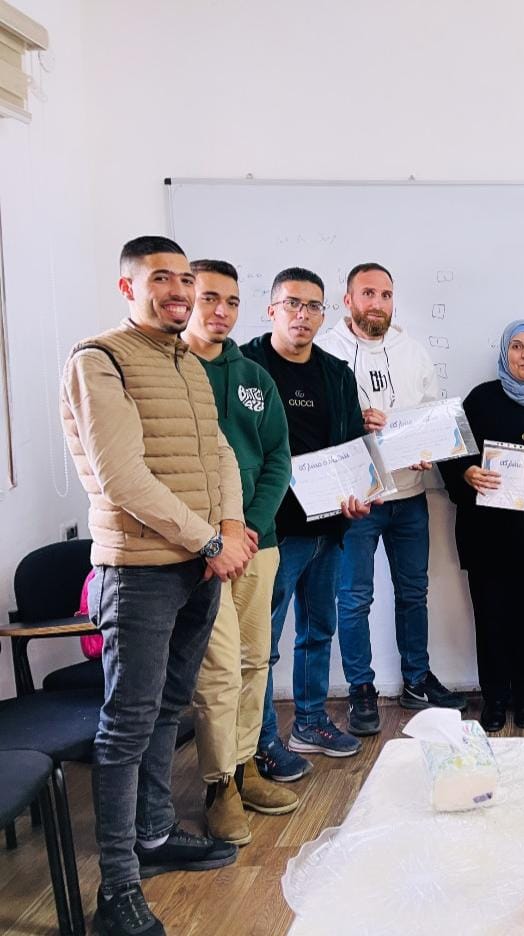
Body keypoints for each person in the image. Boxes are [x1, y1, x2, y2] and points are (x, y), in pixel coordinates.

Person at [61, 235, 252, 935]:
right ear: (128, 287)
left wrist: (229, 526)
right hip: (139, 571)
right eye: (161, 279)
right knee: (127, 725)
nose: (178, 291)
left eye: (184, 280)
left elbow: (220, 453)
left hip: (198, 567)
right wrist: (211, 541)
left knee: (170, 707)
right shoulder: (99, 359)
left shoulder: (187, 362)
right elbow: (122, 478)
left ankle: (155, 832)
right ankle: (117, 887)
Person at [316, 262, 466, 738]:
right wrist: (353, 420)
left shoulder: (413, 351)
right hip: (359, 502)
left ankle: (417, 680)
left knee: (413, 593)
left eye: (385, 294)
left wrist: (428, 450)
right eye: (367, 293)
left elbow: (433, 421)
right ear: (348, 300)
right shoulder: (325, 352)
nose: (377, 303)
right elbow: (315, 428)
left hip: (411, 497)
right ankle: (361, 688)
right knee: (354, 598)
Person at [183, 260, 298, 845]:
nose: (221, 311)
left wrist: (249, 527)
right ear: (187, 298)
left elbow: (278, 456)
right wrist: (215, 537)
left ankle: (247, 764)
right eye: (210, 298)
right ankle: (219, 783)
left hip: (259, 544)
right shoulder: (172, 370)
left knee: (256, 660)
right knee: (219, 670)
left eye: (231, 301)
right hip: (200, 550)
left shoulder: (254, 376)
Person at [242, 267, 372, 779]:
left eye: (313, 306)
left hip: (328, 528)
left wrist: (360, 496)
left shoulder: (336, 372)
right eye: (292, 304)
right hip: (272, 532)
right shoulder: (246, 366)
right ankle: (261, 742)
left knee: (319, 630)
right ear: (271, 309)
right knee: (262, 644)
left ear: (324, 314)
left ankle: (311, 721)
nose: (303, 314)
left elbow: (352, 444)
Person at [439, 320, 524, 732]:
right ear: (505, 353)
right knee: (491, 622)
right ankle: (495, 699)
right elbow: (451, 453)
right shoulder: (480, 399)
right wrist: (466, 472)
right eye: (516, 346)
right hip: (487, 537)